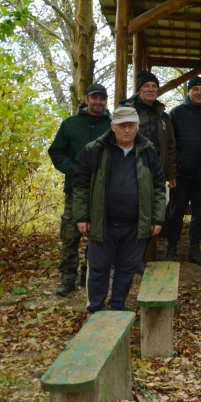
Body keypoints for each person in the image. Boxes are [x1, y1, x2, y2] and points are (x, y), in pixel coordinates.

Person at [72, 106, 166, 313]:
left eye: (131, 126)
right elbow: (79, 186)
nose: (127, 130)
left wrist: (157, 219)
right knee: (98, 269)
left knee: (127, 269)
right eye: (122, 126)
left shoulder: (148, 151)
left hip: (135, 224)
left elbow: (159, 187)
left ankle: (117, 307)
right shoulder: (94, 150)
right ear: (113, 127)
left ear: (137, 127)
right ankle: (95, 309)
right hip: (101, 222)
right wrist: (82, 217)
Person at [48, 83, 112, 296]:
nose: (98, 102)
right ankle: (68, 279)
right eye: (94, 98)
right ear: (86, 100)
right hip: (74, 190)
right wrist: (73, 170)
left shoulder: (112, 126)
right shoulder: (70, 124)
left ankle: (88, 276)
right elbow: (56, 152)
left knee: (97, 235)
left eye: (102, 99)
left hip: (102, 192)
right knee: (70, 235)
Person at [165, 77, 201, 265]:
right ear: (188, 92)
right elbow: (170, 143)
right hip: (181, 175)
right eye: (195, 89)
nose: (199, 92)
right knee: (176, 213)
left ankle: (194, 249)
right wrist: (175, 166)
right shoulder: (177, 113)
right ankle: (172, 247)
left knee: (199, 214)